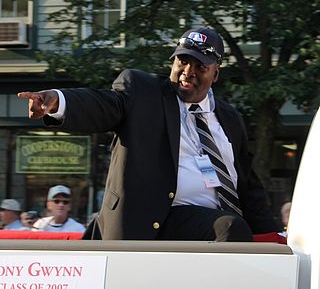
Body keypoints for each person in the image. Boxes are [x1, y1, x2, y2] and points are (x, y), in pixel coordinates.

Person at [18, 27, 279, 241]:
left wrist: (271, 233)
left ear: (216, 73)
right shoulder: (144, 93)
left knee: (236, 229)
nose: (188, 71)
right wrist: (57, 101)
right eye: (183, 60)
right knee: (231, 228)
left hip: (212, 223)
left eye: (200, 66)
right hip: (154, 220)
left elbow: (246, 182)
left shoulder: (229, 117)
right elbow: (105, 105)